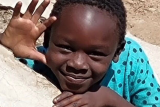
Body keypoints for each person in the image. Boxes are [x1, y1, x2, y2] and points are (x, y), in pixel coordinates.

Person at [0, 0, 160, 107]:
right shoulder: (36, 62)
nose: (77, 64)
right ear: (48, 38)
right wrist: (5, 49)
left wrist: (109, 99)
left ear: (118, 51)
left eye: (95, 54)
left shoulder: (131, 60)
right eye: (66, 48)